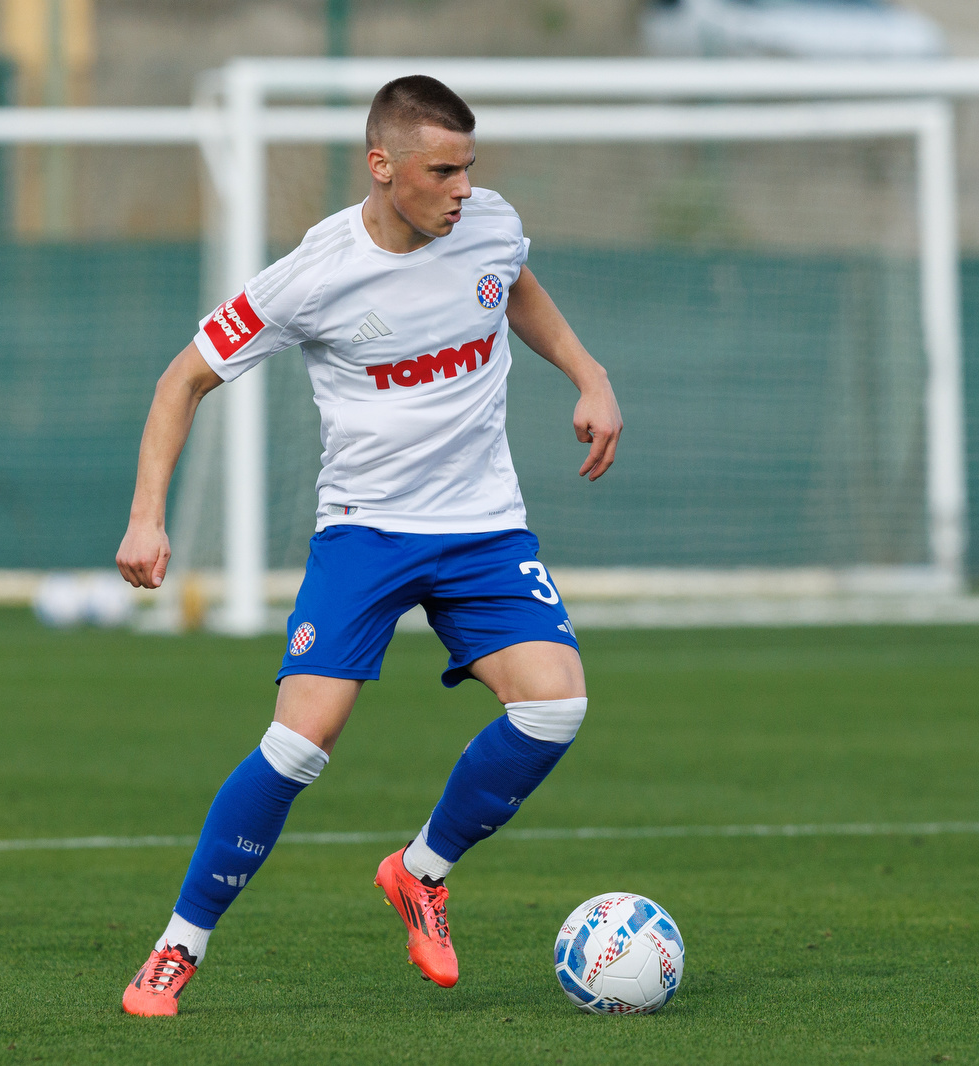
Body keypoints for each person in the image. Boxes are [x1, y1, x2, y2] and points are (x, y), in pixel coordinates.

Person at [113, 74, 622, 1016]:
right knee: (301, 745)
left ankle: (420, 871)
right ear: (383, 167)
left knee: (555, 709)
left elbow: (517, 291)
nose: (463, 187)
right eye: (443, 170)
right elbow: (181, 380)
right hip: (367, 533)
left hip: (482, 527)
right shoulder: (314, 274)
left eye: (470, 167)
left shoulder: (491, 222)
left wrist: (589, 375)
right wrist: (148, 516)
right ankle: (176, 950)